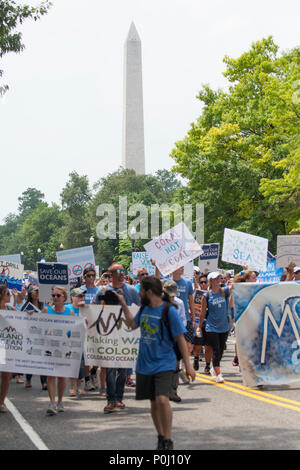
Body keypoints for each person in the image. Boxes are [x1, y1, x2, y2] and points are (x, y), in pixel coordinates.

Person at [119, 275, 195, 450]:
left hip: (165, 362)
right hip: (145, 363)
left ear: (149, 292)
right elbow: (132, 325)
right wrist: (123, 304)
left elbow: (181, 338)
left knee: (162, 399)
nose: (139, 293)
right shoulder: (145, 309)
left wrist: (188, 365)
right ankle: (160, 436)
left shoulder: (169, 311)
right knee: (153, 402)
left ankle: (168, 439)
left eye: (141, 290)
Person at [94, 263, 141, 413]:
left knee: (123, 369)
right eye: (118, 271)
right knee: (109, 369)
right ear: (111, 274)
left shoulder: (131, 290)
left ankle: (119, 398)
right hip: (109, 333)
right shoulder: (103, 290)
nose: (122, 273)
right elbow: (93, 308)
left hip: (125, 334)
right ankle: (111, 400)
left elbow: (140, 306)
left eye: (123, 271)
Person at [43, 286, 75, 415]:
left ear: (64, 298)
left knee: (62, 377)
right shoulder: (47, 310)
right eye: (53, 295)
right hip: (50, 348)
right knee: (51, 375)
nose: (55, 298)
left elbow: (74, 330)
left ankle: (60, 401)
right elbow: (37, 324)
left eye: (58, 296)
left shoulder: (70, 312)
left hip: (64, 348)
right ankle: (52, 403)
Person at [199, 272, 232, 383]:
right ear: (210, 281)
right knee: (216, 349)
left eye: (218, 278)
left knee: (221, 349)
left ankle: (214, 368)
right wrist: (199, 327)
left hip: (224, 326)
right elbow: (202, 313)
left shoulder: (225, 291)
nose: (217, 280)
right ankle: (218, 373)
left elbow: (237, 284)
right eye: (214, 278)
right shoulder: (206, 296)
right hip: (211, 327)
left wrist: (243, 271)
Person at [163, 280, 186, 403]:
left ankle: (173, 391)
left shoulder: (180, 303)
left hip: (175, 338)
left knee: (175, 366)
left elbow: (183, 319)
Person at [21, 285, 48, 390]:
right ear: (30, 295)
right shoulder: (26, 306)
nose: (37, 295)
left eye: (38, 293)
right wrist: (27, 314)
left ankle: (44, 382)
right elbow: (20, 320)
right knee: (31, 358)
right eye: (34, 293)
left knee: (43, 358)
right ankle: (28, 379)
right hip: (30, 336)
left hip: (42, 335)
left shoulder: (44, 307)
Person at [66, 288, 86, 397]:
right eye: (78, 296)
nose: (81, 298)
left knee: (81, 365)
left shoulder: (85, 309)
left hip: (82, 340)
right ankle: (72, 387)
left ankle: (79, 387)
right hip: (70, 340)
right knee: (73, 364)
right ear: (72, 297)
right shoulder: (67, 308)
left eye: (82, 296)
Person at [0, 286, 16, 413]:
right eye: (7, 293)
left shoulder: (11, 309)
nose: (10, 295)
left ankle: (1, 402)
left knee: (6, 375)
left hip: (6, 346)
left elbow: (20, 323)